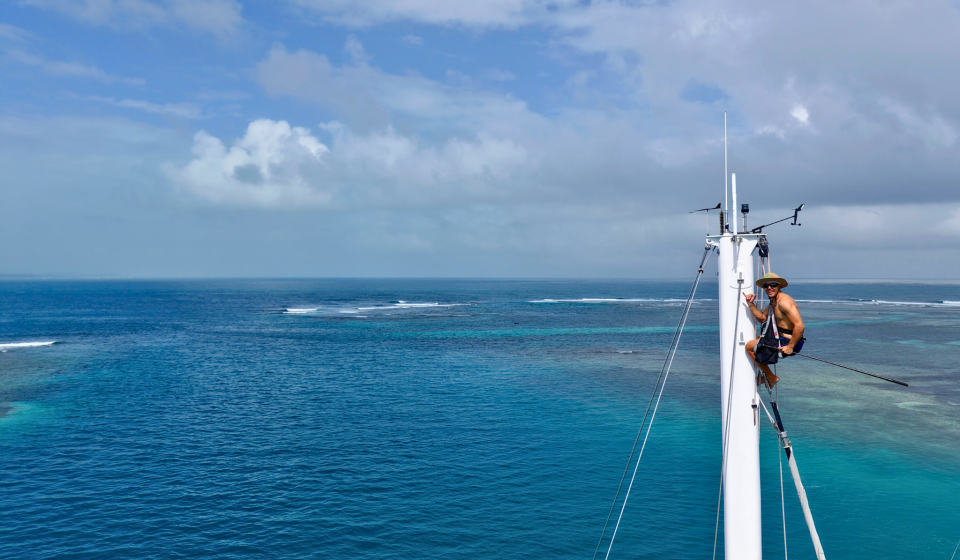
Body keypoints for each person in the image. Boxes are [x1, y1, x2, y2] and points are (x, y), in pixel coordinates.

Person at [744, 272, 805, 389]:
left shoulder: (784, 302)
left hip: (789, 342)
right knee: (758, 340)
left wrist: (790, 346)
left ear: (779, 286)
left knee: (749, 347)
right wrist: (750, 304)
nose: (769, 288)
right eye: (766, 285)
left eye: (773, 285)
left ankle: (771, 377)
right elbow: (762, 318)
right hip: (781, 339)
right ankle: (766, 375)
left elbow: (800, 326)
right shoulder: (774, 301)